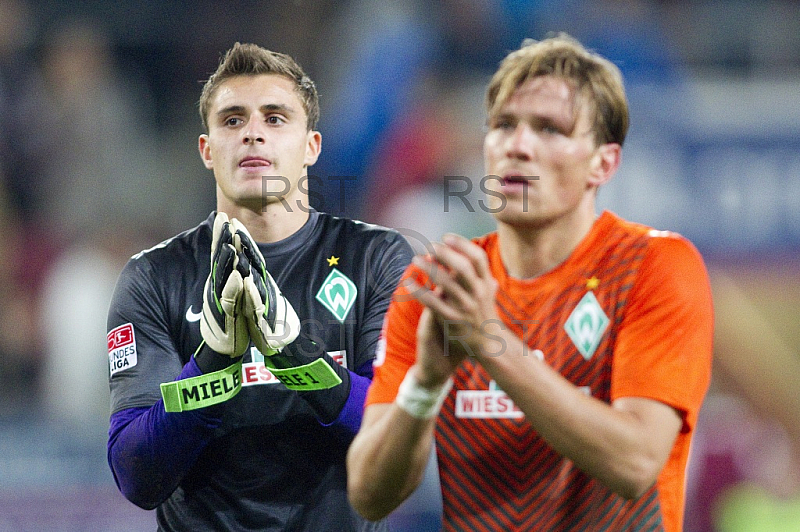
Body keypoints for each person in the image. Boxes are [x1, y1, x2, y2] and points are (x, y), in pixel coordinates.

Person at [347, 34, 713, 531]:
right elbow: (369, 495)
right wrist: (426, 385)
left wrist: (489, 342)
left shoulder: (653, 266)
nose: (519, 146)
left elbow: (635, 463)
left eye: (549, 129)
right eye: (503, 126)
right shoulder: (443, 285)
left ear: (603, 162)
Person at [106, 42, 412, 531]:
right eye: (232, 120)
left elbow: (397, 437)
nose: (252, 133)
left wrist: (297, 356)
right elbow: (136, 475)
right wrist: (211, 365)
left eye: (275, 118)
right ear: (206, 150)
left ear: (311, 146)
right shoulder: (154, 277)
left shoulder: (375, 259)